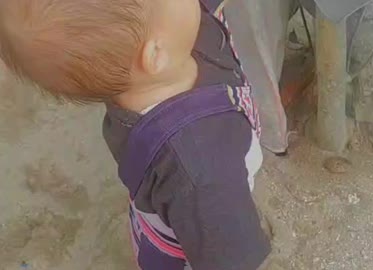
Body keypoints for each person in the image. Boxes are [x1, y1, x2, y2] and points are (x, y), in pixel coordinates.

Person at [0, 0, 271, 269]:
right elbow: (231, 261)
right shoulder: (202, 169)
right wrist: (233, 223)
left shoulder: (141, 60)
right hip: (193, 243)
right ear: (155, 54)